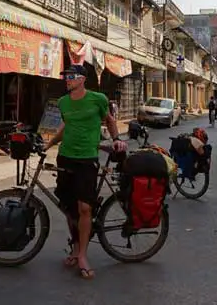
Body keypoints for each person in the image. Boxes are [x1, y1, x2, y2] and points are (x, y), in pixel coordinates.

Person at [44, 64, 128, 280]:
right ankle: (74, 247)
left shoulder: (98, 99)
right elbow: (65, 127)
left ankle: (82, 255)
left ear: (82, 79)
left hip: (87, 159)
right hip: (66, 157)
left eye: (71, 77)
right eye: (65, 77)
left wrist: (117, 139)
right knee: (69, 208)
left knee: (84, 208)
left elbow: (109, 121)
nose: (67, 80)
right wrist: (49, 144)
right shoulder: (63, 102)